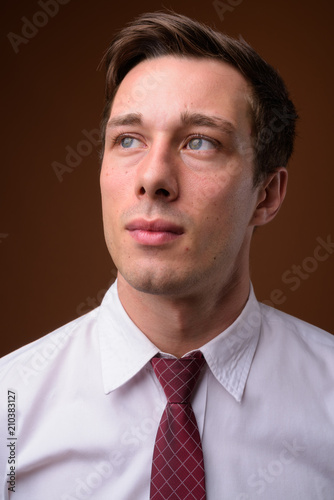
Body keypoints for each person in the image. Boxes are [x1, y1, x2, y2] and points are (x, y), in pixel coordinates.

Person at [1, 11, 333, 500]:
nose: (152, 177)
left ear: (266, 194)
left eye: (200, 142)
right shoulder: (9, 408)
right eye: (128, 140)